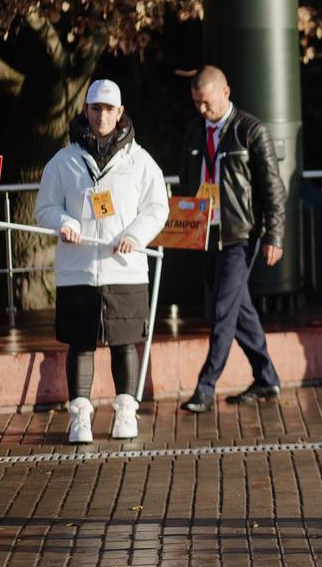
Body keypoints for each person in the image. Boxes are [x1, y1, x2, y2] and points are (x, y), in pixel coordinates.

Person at [35, 79, 169, 443]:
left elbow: (158, 208)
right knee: (80, 343)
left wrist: (135, 235)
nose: (102, 116)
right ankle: (80, 415)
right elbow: (44, 208)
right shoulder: (63, 162)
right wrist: (63, 222)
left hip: (124, 268)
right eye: (96, 108)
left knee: (125, 342)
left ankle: (126, 411)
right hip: (77, 269)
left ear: (120, 112)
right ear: (85, 111)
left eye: (109, 109)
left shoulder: (140, 161)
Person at [178, 66, 288, 412]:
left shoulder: (250, 130)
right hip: (206, 233)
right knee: (240, 310)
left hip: (240, 234)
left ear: (225, 92)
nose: (201, 110)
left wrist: (275, 234)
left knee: (222, 310)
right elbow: (186, 182)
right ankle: (267, 379)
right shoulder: (194, 132)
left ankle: (205, 386)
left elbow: (273, 188)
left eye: (207, 103)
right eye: (196, 103)